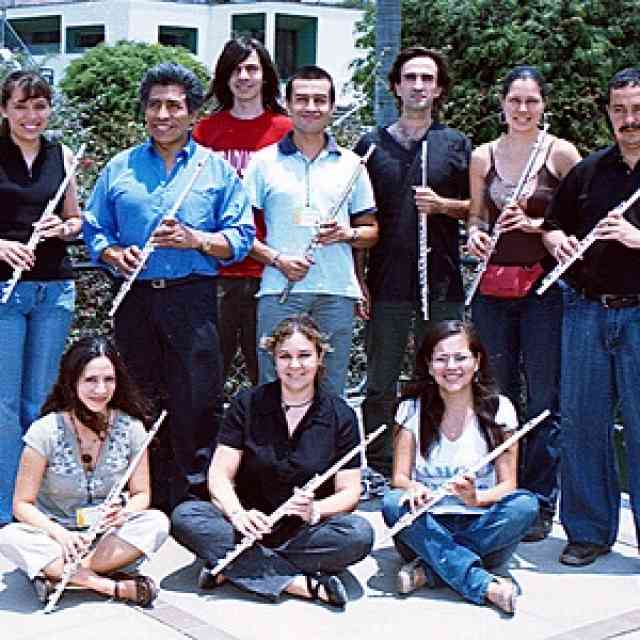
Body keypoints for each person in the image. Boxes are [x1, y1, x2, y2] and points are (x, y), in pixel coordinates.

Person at [83, 62, 255, 514]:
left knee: (197, 395)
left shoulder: (214, 171)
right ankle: (144, 493)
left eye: (174, 106)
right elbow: (94, 227)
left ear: (192, 113)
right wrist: (112, 254)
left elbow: (239, 239)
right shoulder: (119, 167)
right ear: (144, 111)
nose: (164, 114)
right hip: (135, 297)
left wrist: (195, 239)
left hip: (192, 296)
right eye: (155, 105)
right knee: (136, 393)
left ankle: (194, 499)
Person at [171, 315, 374, 608]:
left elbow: (350, 492)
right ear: (273, 359)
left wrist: (315, 510)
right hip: (246, 525)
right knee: (185, 517)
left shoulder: (340, 414)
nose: (294, 365)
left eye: (304, 355)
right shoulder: (247, 404)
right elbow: (219, 474)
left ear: (319, 358)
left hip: (304, 532)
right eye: (285, 356)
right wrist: (238, 513)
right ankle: (298, 583)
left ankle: (236, 565)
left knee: (358, 534)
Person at [466, 66, 581, 541]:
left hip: (543, 289)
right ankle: (500, 489)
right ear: (502, 103)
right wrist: (475, 234)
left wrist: (537, 228)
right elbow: (476, 214)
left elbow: (579, 218)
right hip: (493, 289)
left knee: (543, 398)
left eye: (531, 101)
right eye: (515, 100)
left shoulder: (561, 153)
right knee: (496, 395)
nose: (522, 109)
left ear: (543, 105)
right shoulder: (482, 156)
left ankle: (539, 500)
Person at [353, 47, 471, 476]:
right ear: (396, 86)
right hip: (387, 283)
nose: (418, 85)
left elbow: (475, 209)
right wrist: (358, 279)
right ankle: (382, 465)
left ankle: (434, 459)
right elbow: (359, 219)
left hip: (440, 282)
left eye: (427, 78)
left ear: (438, 88)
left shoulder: (455, 144)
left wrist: (443, 206)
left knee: (443, 374)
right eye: (410, 78)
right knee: (381, 380)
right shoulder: (370, 145)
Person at [542, 67, 640, 567]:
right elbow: (554, 224)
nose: (629, 120)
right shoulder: (589, 170)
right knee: (583, 422)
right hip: (586, 310)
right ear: (608, 113)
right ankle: (587, 531)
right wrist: (555, 240)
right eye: (619, 110)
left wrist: (636, 238)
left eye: (637, 110)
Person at [382, 321, 538, 614]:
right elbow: (399, 479)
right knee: (392, 504)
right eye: (440, 358)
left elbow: (508, 485)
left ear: (477, 361)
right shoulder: (411, 408)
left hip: (481, 525)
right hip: (427, 525)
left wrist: (475, 499)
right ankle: (483, 584)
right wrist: (413, 487)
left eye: (460, 357)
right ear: (429, 365)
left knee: (526, 505)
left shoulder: (500, 407)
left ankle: (430, 570)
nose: (450, 366)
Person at [0, 337, 169, 607]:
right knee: (8, 537)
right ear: (72, 381)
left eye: (109, 380)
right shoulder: (45, 431)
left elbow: (142, 494)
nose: (101, 390)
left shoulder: (132, 428)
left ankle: (61, 574)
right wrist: (60, 534)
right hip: (57, 535)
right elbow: (22, 505)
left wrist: (124, 512)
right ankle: (108, 585)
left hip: (106, 535)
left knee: (157, 523)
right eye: (91, 380)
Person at [244, 65, 378, 396]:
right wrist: (278, 260)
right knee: (274, 388)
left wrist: (346, 234)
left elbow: (371, 231)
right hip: (280, 289)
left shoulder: (352, 164)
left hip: (337, 292)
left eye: (320, 100)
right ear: (287, 105)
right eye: (302, 99)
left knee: (330, 389)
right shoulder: (263, 162)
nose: (311, 107)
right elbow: (240, 232)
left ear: (332, 108)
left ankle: (328, 451)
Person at [0, 70, 82, 527]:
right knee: (4, 404)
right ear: (4, 109)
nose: (32, 116)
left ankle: (35, 501)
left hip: (54, 288)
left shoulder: (62, 155)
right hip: (4, 290)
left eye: (40, 106)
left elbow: (76, 220)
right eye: (22, 106)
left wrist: (65, 228)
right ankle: (5, 505)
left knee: (40, 401)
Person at [194, 37, 292, 386]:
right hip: (216, 272)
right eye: (236, 69)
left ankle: (267, 442)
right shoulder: (205, 131)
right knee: (207, 373)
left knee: (268, 374)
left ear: (266, 75)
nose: (244, 77)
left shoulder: (286, 130)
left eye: (252, 68)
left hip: (271, 270)